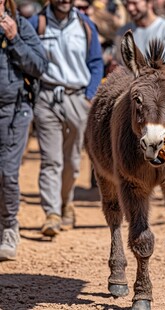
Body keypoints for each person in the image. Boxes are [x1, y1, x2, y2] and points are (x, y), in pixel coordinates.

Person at [28, 0, 103, 237]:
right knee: (51, 160)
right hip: (47, 97)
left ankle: (66, 203)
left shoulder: (85, 25)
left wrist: (89, 96)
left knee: (72, 162)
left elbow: (96, 63)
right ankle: (52, 214)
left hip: (77, 98)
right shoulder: (36, 24)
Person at [0, 0, 47, 260]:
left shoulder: (19, 26)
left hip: (14, 111)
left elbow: (39, 66)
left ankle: (9, 228)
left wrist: (14, 39)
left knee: (7, 173)